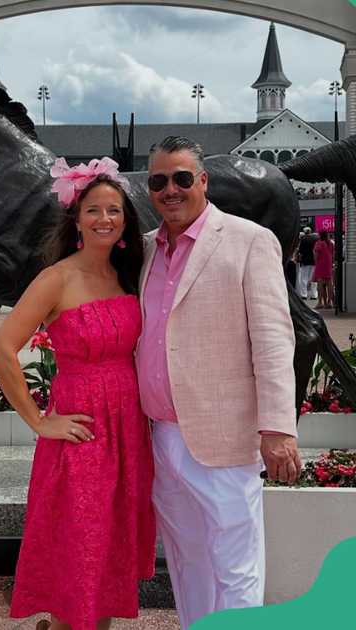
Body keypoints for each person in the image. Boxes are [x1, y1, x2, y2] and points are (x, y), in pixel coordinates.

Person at [137, 136, 299, 630]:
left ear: (203, 181)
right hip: (160, 436)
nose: (170, 189)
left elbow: (273, 340)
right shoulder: (145, 248)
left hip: (225, 437)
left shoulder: (250, 240)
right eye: (159, 181)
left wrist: (278, 428)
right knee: (187, 564)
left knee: (236, 568)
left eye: (182, 178)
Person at [0, 157, 153, 630]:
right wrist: (39, 421)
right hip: (83, 430)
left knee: (110, 551)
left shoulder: (128, 274)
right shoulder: (56, 279)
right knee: (82, 548)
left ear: (125, 220)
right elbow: (1, 351)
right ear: (76, 219)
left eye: (114, 210)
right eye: (93, 210)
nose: (105, 218)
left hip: (128, 429)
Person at [314, 230, 335, 309]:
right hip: (328, 264)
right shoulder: (331, 243)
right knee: (329, 283)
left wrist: (316, 262)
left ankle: (320, 302)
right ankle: (329, 302)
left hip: (321, 264)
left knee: (320, 284)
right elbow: (332, 255)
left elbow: (316, 256)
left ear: (320, 235)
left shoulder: (319, 243)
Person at [295, 227, 317, 300]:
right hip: (314, 261)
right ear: (310, 231)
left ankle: (304, 294)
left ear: (304, 232)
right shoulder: (315, 239)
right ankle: (314, 295)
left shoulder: (303, 239)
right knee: (313, 278)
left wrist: (298, 258)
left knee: (304, 278)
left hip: (305, 261)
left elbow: (300, 251)